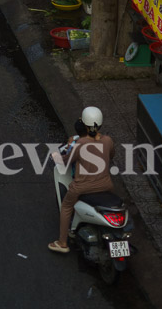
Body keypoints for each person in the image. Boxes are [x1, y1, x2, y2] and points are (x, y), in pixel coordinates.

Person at [49, 107, 116, 254]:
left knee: (66, 207)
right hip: (106, 185)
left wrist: (55, 156)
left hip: (82, 187)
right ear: (100, 124)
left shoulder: (81, 143)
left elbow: (66, 162)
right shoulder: (108, 140)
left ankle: (62, 242)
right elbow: (111, 155)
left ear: (84, 124)